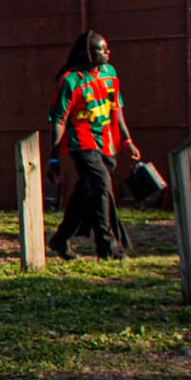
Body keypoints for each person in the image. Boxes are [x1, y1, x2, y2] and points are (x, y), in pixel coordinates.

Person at [47, 30, 139, 260]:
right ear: (87, 53)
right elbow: (59, 120)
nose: (107, 52)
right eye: (102, 48)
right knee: (101, 187)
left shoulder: (110, 73)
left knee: (86, 192)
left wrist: (127, 140)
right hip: (82, 141)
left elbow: (116, 109)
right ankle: (107, 247)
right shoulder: (70, 81)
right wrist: (54, 157)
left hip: (105, 142)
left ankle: (61, 239)